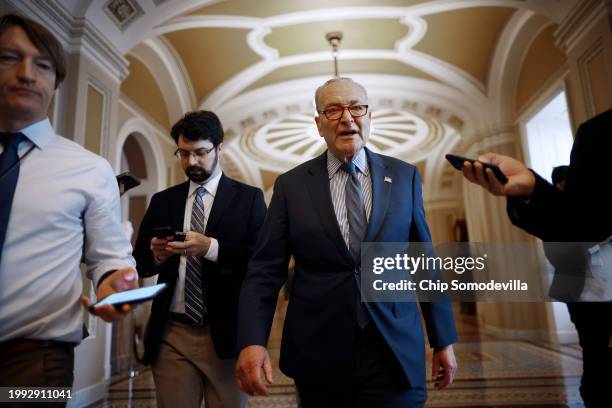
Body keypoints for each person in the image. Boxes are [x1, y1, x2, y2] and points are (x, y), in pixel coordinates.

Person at [236, 77, 458, 408]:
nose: (347, 117)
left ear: (369, 117)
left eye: (357, 107)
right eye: (334, 109)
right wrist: (253, 341)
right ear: (319, 124)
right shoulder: (291, 186)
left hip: (394, 346)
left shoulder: (404, 176)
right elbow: (265, 270)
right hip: (319, 349)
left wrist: (443, 340)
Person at [0, 14, 138, 393]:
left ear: (57, 80)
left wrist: (115, 286)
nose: (27, 74)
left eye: (42, 65)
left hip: (37, 361)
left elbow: (110, 258)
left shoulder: (89, 169)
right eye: (9, 58)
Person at [461, 108, 612, 407]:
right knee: (599, 380)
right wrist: (531, 186)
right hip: (594, 299)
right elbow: (580, 226)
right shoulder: (599, 133)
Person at [133, 110, 266, 408]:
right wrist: (155, 254)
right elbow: (140, 261)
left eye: (201, 153)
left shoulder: (249, 198)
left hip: (227, 334)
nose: (191, 162)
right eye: (184, 153)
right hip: (171, 333)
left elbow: (260, 262)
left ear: (219, 148)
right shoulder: (163, 200)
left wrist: (211, 248)